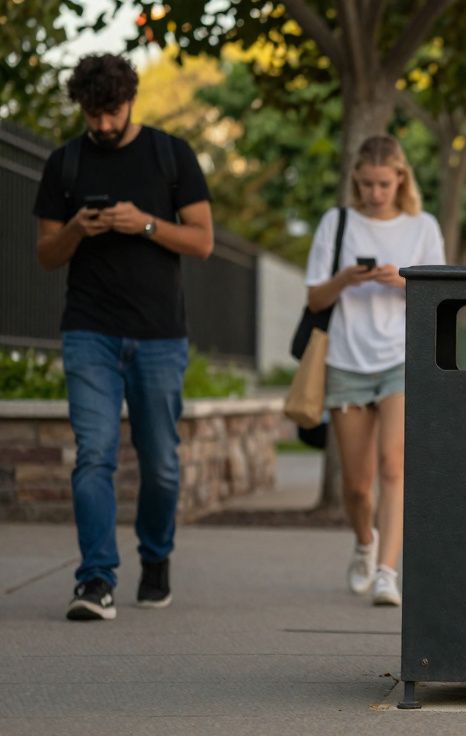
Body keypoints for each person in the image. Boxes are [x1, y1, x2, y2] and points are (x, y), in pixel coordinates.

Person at [33, 54, 214, 621]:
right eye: (93, 115)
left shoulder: (170, 155)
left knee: (160, 461)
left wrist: (146, 224)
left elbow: (204, 241)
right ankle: (95, 580)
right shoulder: (64, 163)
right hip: (90, 332)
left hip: (159, 335)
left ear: (131, 100)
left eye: (111, 112)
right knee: (93, 455)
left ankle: (156, 558)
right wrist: (76, 231)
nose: (104, 125)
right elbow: (44, 255)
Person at [304, 135, 445, 606]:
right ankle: (364, 542)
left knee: (393, 464)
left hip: (400, 359)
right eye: (366, 184)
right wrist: (346, 277)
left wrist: (403, 280)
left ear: (400, 178)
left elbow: (439, 299)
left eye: (383, 184)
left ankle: (387, 571)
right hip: (345, 360)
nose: (374, 193)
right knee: (355, 483)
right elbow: (314, 298)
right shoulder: (336, 222)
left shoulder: (423, 226)